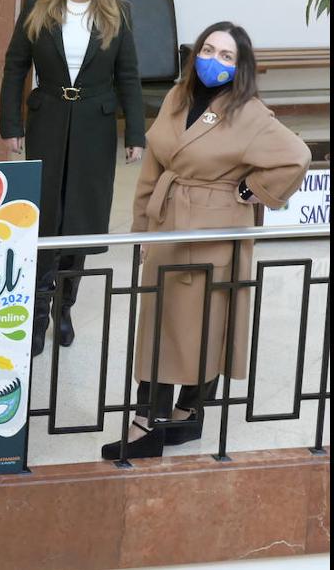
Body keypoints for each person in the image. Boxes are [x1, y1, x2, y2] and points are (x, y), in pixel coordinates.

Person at [101, 23, 309, 460]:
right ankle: (159, 420)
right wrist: (142, 229)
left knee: (206, 324)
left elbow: (297, 156)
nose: (214, 60)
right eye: (208, 50)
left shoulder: (250, 114)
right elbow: (154, 166)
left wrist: (254, 190)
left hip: (214, 230)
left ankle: (175, 416)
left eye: (227, 56)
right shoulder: (178, 96)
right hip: (170, 221)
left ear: (241, 68)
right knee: (160, 321)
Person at [0, 0, 145, 356]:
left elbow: (129, 78)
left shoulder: (120, 14)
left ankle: (65, 307)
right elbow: (14, 69)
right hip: (48, 119)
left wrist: (135, 133)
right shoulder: (36, 8)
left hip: (95, 128)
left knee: (80, 218)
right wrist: (11, 124)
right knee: (45, 216)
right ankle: (38, 313)